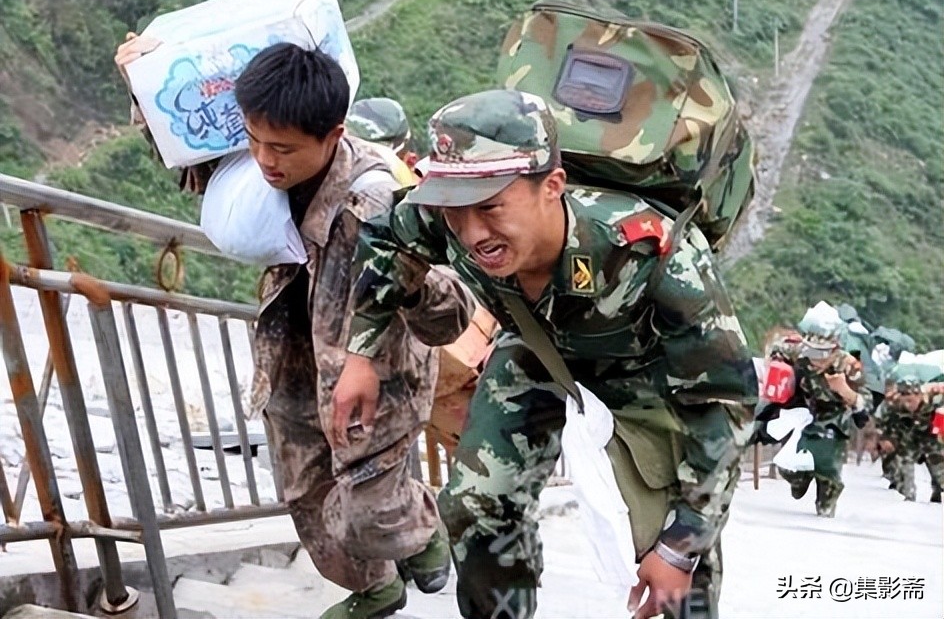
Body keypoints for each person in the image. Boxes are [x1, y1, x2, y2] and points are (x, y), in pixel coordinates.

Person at [332, 89, 758, 619]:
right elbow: (383, 236)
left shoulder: (647, 250)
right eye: (454, 211)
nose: (470, 233)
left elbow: (725, 400)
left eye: (490, 207)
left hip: (649, 373)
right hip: (536, 351)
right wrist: (361, 356)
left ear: (551, 187)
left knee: (677, 578)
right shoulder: (445, 217)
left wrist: (682, 543)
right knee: (473, 505)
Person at [115, 39, 474, 619]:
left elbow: (452, 313)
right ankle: (376, 586)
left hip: (379, 375)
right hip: (296, 361)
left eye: (280, 148)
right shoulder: (263, 168)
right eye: (254, 141)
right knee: (307, 494)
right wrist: (139, 84)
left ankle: (421, 526)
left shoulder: (379, 199)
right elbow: (190, 161)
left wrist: (403, 276)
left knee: (364, 510)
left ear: (332, 135)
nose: (264, 159)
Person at [766, 330, 871, 517]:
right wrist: (777, 362)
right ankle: (800, 480)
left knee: (826, 482)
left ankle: (827, 493)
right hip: (806, 415)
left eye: (821, 354)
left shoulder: (850, 368)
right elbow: (777, 347)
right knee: (788, 466)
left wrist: (845, 391)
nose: (815, 359)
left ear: (834, 351)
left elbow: (866, 406)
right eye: (812, 351)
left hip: (835, 422)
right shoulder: (801, 352)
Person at [875, 376, 944, 503]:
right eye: (905, 400)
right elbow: (881, 423)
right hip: (907, 435)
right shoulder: (891, 403)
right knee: (904, 461)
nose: (908, 405)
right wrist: (885, 438)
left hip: (931, 434)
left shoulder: (935, 397)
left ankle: (938, 488)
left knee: (938, 464)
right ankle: (908, 494)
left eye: (911, 400)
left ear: (918, 395)